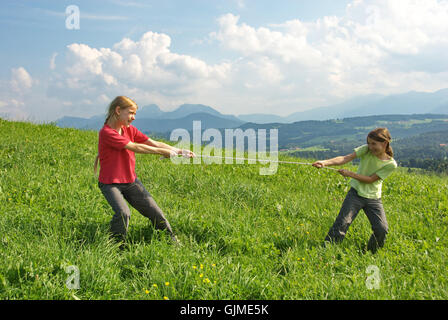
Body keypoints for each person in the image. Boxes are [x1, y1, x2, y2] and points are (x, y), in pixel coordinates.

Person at [94, 96, 195, 247]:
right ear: (118, 110)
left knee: (155, 212)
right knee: (123, 213)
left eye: (134, 114)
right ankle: (116, 246)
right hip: (110, 184)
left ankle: (171, 241)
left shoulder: (129, 129)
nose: (133, 117)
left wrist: (179, 150)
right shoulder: (107, 133)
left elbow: (153, 143)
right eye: (131, 113)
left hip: (130, 182)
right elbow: (136, 147)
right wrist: (163, 153)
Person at [312, 128, 397, 253]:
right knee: (343, 222)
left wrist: (350, 174)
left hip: (373, 198)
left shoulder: (391, 164)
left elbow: (370, 179)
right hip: (356, 194)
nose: (370, 146)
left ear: (385, 143)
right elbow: (345, 158)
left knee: (381, 228)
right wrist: (324, 163)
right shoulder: (366, 150)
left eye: (374, 144)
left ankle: (371, 253)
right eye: (369, 143)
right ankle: (327, 250)